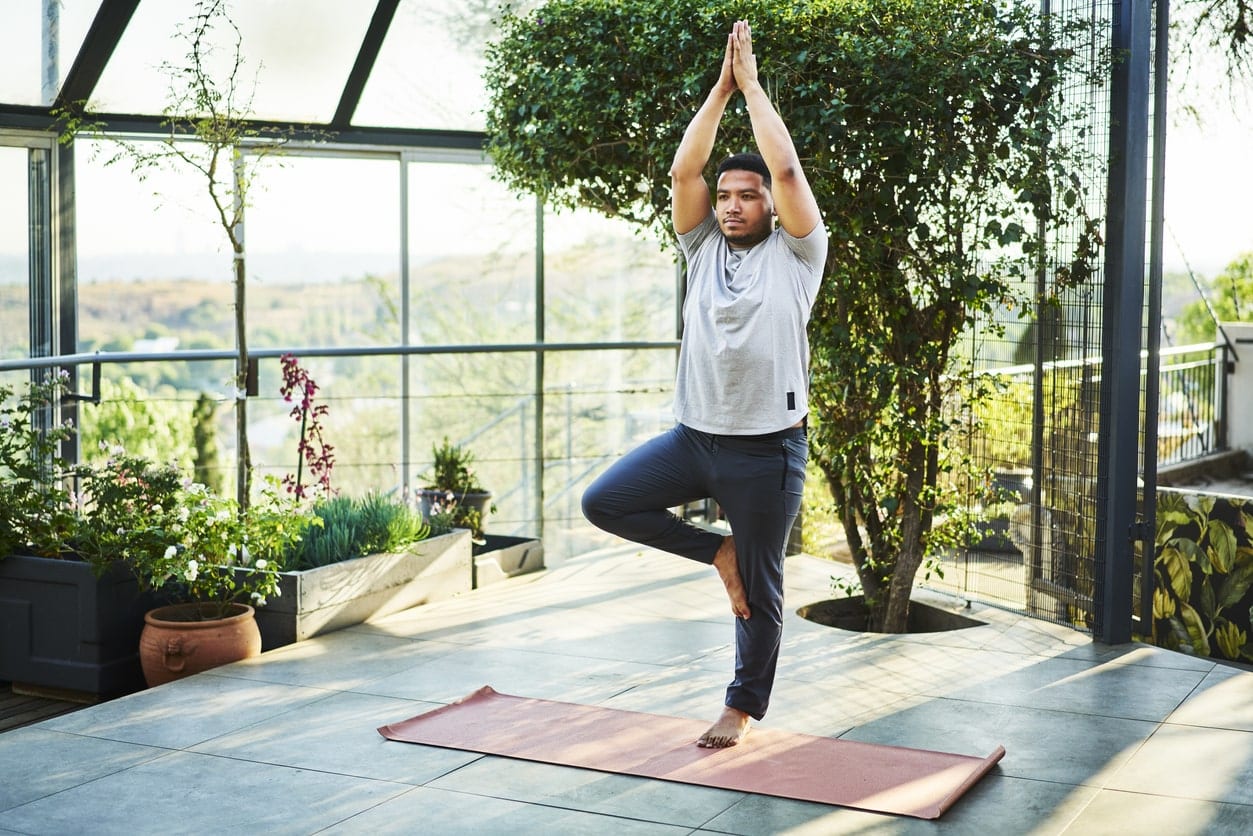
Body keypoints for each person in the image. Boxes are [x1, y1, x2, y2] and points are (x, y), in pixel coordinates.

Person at [581, 20, 826, 748]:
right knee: (606, 502)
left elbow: (786, 172)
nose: (729, 204)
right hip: (694, 437)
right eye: (724, 195)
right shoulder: (700, 245)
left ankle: (740, 706)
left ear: (768, 205)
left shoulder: (797, 252)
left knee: (759, 589)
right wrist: (719, 89)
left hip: (764, 452)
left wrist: (752, 86)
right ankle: (714, 551)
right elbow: (683, 173)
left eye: (745, 196)